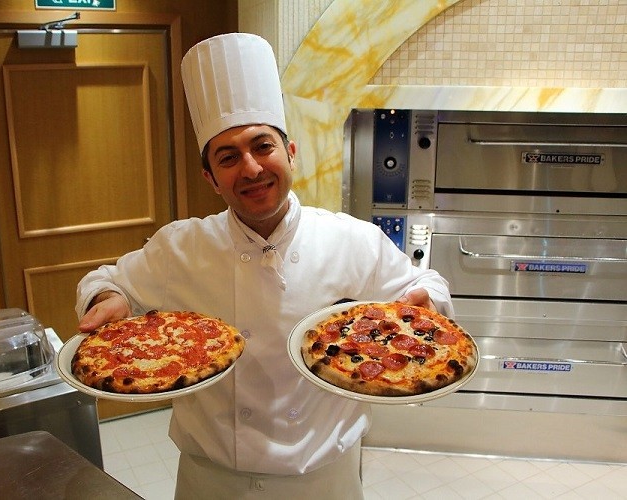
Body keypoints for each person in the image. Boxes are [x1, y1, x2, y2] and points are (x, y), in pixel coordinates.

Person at [76, 33, 454, 499]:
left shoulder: (353, 240)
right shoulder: (179, 247)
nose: (252, 169)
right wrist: (108, 298)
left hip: (323, 479)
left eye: (263, 147)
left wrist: (426, 302)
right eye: (228, 158)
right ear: (211, 178)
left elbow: (428, 283)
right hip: (210, 480)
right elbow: (105, 280)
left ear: (291, 153)